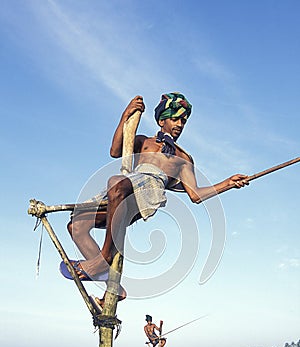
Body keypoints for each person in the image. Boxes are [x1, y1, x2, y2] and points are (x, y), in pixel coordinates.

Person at [67, 93, 249, 282]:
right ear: (162, 121)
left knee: (115, 182)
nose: (179, 124)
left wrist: (228, 183)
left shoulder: (183, 158)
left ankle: (104, 258)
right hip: (124, 190)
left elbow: (195, 195)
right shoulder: (144, 141)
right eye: (175, 119)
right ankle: (111, 284)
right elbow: (115, 151)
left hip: (147, 192)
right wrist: (126, 115)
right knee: (76, 226)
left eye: (183, 121)